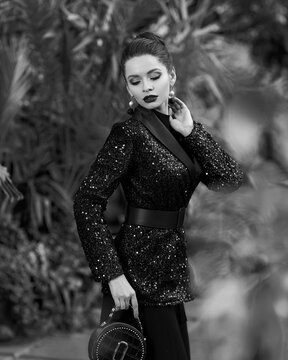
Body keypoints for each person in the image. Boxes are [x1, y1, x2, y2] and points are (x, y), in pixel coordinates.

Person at [73, 32, 244, 360]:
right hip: (136, 276)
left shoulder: (187, 131)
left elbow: (229, 180)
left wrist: (192, 132)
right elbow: (86, 201)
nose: (146, 87)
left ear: (171, 76)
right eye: (136, 81)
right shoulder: (129, 133)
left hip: (171, 270)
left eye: (154, 76)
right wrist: (113, 275)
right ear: (128, 88)